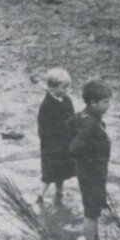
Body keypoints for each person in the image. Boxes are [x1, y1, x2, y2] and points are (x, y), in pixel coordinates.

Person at [70, 80, 113, 240]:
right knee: (91, 211)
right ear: (93, 103)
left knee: (96, 205)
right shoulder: (89, 124)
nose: (108, 105)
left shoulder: (85, 116)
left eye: (109, 101)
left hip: (93, 170)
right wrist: (88, 159)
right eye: (105, 102)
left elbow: (69, 124)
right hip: (91, 172)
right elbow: (75, 147)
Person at [36, 68, 77, 210]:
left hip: (65, 143)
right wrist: (51, 146)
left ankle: (59, 193)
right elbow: (43, 129)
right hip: (51, 147)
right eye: (63, 87)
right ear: (52, 88)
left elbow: (72, 120)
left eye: (67, 87)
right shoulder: (46, 106)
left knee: (62, 172)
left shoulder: (67, 101)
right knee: (49, 174)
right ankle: (39, 196)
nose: (67, 90)